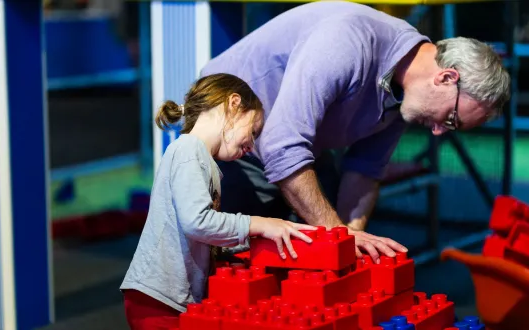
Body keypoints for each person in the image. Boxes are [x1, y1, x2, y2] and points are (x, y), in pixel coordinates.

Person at [200, 1, 511, 263]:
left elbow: (365, 169)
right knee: (233, 270)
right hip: (230, 141)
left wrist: (353, 239)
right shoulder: (347, 42)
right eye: (451, 118)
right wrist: (340, 236)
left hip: (300, 146)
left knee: (323, 250)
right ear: (446, 77)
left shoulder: (407, 91)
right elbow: (282, 146)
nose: (440, 131)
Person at [119, 73, 317, 330]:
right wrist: (260, 224)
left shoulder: (202, 159)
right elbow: (197, 222)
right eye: (253, 131)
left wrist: (247, 244)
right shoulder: (189, 151)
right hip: (158, 299)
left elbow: (200, 233)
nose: (252, 145)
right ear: (234, 103)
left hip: (168, 299)